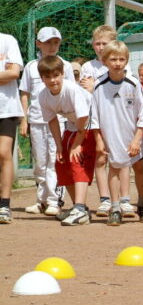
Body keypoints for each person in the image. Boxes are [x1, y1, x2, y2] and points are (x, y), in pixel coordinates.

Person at [90, 40, 143, 225]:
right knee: (114, 168)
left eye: (121, 59)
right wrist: (99, 140)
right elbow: (93, 116)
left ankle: (142, 202)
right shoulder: (98, 85)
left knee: (139, 168)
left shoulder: (133, 84)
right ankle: (115, 206)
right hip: (111, 135)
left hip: (132, 136)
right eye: (113, 59)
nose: (117, 63)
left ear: (126, 60)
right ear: (104, 61)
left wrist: (137, 139)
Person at [19, 27, 74, 217]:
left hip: (58, 121)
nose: (52, 46)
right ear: (38, 44)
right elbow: (25, 94)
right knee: (40, 162)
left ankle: (54, 200)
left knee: (55, 159)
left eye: (56, 42)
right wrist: (23, 120)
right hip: (36, 120)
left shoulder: (65, 66)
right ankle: (41, 199)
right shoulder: (30, 67)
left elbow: (71, 94)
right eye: (48, 42)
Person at [80, 25, 132, 218]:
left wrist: (97, 87)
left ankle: (125, 199)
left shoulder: (121, 63)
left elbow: (125, 89)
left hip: (119, 118)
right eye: (97, 43)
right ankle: (105, 199)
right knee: (100, 157)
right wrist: (96, 88)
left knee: (122, 158)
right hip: (97, 118)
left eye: (105, 43)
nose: (101, 47)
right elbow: (88, 91)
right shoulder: (88, 67)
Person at [38, 55, 95, 226]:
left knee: (77, 160)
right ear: (42, 78)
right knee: (61, 163)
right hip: (73, 124)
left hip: (91, 123)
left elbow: (84, 117)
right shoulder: (43, 96)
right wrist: (59, 146)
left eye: (56, 75)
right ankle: (80, 207)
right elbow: (52, 120)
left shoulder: (72, 89)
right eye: (47, 77)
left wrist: (77, 144)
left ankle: (80, 209)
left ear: (63, 74)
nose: (52, 80)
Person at [0, 32, 24, 224]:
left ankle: (5, 205)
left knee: (3, 153)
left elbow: (13, 73)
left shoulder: (8, 40)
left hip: (6, 109)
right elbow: (6, 74)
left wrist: (8, 72)